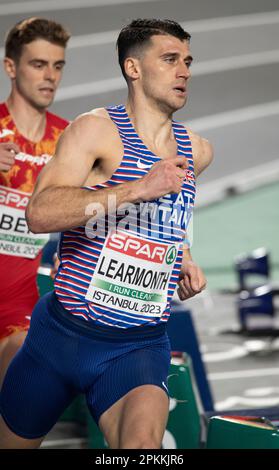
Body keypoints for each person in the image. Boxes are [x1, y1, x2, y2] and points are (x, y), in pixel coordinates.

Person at [0, 18, 213, 449]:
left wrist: (185, 256)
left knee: (142, 449)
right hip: (58, 339)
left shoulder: (199, 151)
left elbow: (173, 217)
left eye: (187, 61)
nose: (184, 71)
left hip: (136, 347)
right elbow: (39, 214)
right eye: (170, 59)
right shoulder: (94, 130)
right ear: (133, 68)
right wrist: (138, 188)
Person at [0, 17, 70, 386]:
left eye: (57, 66)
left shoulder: (68, 140)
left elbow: (91, 212)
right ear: (11, 67)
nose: (50, 76)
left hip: (17, 310)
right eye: (38, 64)